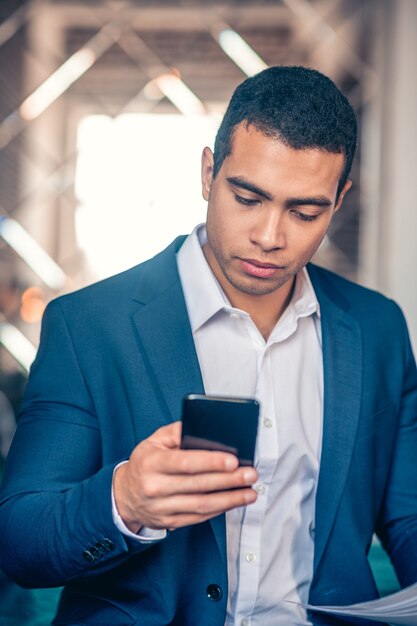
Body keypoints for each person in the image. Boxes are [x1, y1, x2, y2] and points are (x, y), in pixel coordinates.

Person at [0, 66, 416, 626]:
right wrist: (123, 500)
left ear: (339, 199)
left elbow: (407, 520)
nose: (270, 237)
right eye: (247, 198)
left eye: (305, 212)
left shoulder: (378, 328)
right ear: (208, 172)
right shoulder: (88, 326)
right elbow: (21, 541)